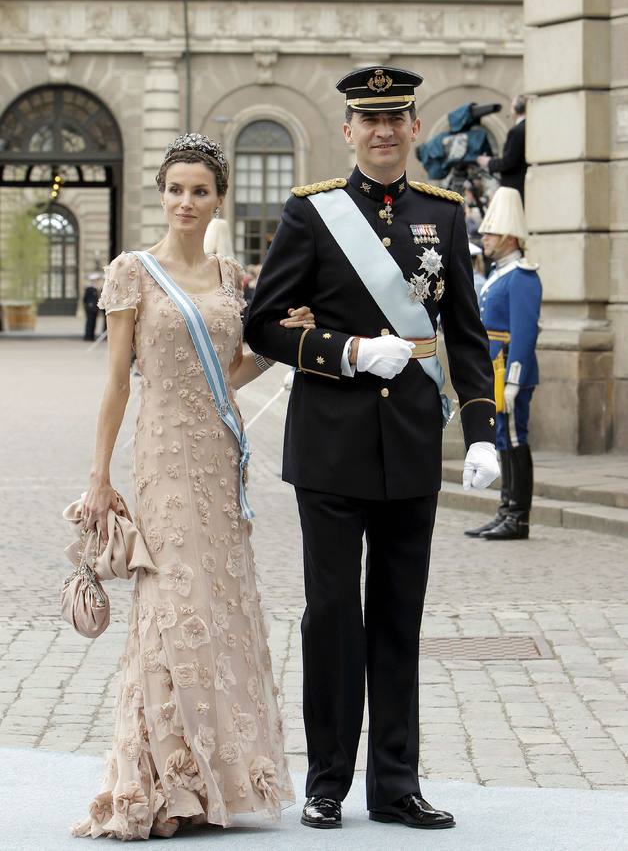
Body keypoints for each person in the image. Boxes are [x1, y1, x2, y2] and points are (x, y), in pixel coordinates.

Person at [245, 66, 500, 831]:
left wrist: (485, 433)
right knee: (332, 614)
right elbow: (264, 324)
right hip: (330, 444)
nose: (384, 132)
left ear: (415, 129)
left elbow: (465, 333)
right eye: (369, 120)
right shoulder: (312, 214)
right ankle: (327, 781)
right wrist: (351, 352)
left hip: (412, 445)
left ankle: (395, 784)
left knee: (399, 616)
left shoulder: (444, 216)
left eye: (397, 119)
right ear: (349, 131)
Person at [72, 133, 315, 840]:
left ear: (218, 199)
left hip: (220, 458)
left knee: (220, 603)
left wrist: (279, 349)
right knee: (170, 605)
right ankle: (161, 779)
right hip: (164, 458)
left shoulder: (230, 276)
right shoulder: (132, 273)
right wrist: (99, 475)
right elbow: (119, 382)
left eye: (199, 191)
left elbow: (230, 373)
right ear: (162, 193)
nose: (186, 201)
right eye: (175, 189)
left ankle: (215, 783)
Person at [464, 187, 541, 542]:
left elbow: (524, 333)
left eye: (491, 233)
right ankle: (505, 510)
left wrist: (514, 380)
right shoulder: (501, 274)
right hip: (494, 368)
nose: (485, 238)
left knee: (514, 440)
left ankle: (517, 516)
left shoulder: (522, 276)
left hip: (508, 369)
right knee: (502, 440)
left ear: (509, 237)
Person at [476, 95, 527, 202]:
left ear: (515, 109)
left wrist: (488, 162)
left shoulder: (517, 131)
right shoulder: (529, 127)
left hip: (515, 189)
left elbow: (508, 162)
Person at [82, 273, 101, 341]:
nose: (97, 282)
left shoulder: (97, 288)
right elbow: (85, 299)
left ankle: (92, 336)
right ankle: (87, 336)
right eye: (95, 280)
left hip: (95, 308)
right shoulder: (89, 288)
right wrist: (88, 305)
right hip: (90, 308)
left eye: (97, 280)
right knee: (89, 322)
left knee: (94, 323)